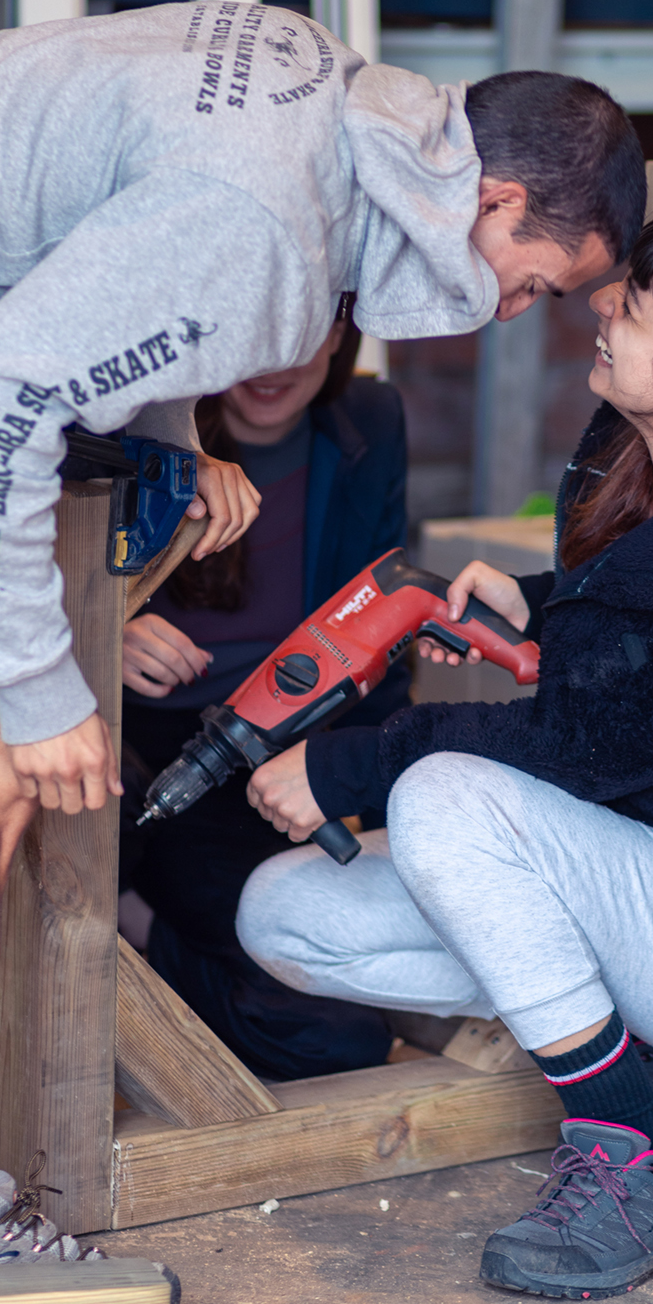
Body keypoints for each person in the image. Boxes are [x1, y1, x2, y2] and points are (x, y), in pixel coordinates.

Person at [0, 0, 643, 1273]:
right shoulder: (267, 223)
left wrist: (170, 438)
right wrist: (43, 687)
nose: (510, 313)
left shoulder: (322, 89)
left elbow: (121, 250)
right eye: (533, 283)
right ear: (494, 202)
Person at [234, 206, 653, 1304]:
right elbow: (644, 633)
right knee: (284, 915)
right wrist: (542, 601)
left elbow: (583, 745)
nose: (598, 304)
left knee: (443, 793)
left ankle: (638, 1155)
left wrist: (349, 767)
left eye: (630, 308)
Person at [118, 301, 410, 1079]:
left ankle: (138, 940)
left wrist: (397, 818)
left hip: (269, 758)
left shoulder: (372, 420)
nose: (275, 362)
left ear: (341, 332)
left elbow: (382, 631)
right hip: (135, 744)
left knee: (339, 1035)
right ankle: (120, 922)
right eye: (258, 329)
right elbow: (20, 575)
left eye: (303, 329)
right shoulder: (137, 416)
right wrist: (106, 628)